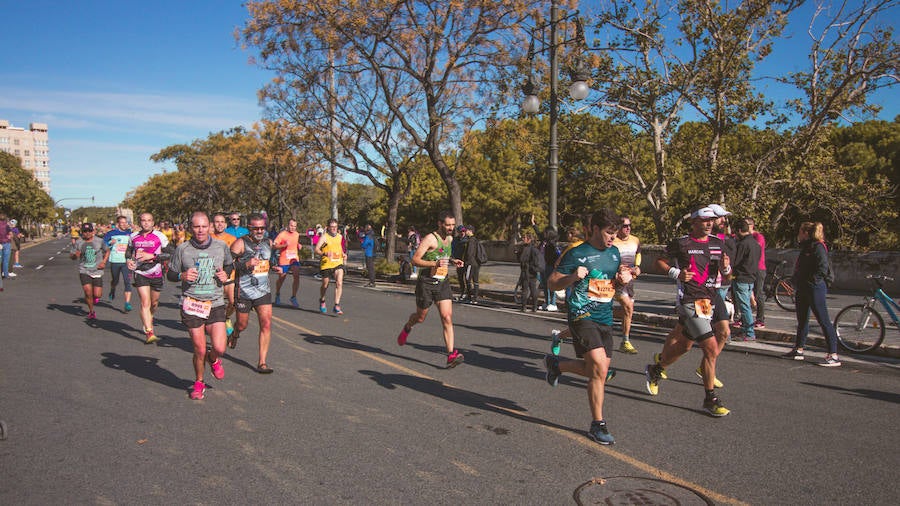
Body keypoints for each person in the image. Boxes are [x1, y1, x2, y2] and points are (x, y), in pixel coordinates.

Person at [543, 208, 632, 445]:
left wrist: (622, 280)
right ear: (594, 229)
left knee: (599, 372)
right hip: (581, 315)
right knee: (600, 367)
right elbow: (551, 283)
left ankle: (557, 365)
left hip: (604, 317)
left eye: (615, 233)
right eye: (608, 232)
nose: (613, 237)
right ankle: (598, 424)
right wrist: (572, 277)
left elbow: (610, 282)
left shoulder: (614, 253)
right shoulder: (577, 253)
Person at [645, 206, 732, 417]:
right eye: (704, 220)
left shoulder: (718, 243)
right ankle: (709, 399)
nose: (709, 223)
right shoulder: (682, 243)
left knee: (684, 346)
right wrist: (676, 273)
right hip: (690, 300)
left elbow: (727, 277)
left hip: (710, 300)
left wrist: (727, 269)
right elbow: (659, 262)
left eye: (711, 220)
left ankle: (656, 368)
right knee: (710, 347)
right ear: (693, 222)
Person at [167, 212, 234, 400]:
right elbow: (170, 274)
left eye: (204, 226)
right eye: (196, 226)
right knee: (200, 349)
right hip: (193, 304)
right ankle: (199, 382)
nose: (200, 230)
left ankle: (214, 359)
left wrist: (225, 274)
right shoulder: (182, 249)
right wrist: (182, 276)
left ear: (210, 227)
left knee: (219, 347)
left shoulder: (221, 246)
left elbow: (229, 266)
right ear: (191, 228)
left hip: (215, 303)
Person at [396, 210, 466, 368]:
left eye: (453, 225)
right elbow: (415, 260)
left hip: (442, 283)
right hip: (426, 283)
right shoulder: (430, 239)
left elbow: (442, 257)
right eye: (448, 225)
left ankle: (451, 354)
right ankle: (408, 327)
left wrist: (453, 261)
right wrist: (434, 264)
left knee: (447, 317)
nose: (451, 228)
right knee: (420, 317)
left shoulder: (449, 238)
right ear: (440, 224)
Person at [782, 222, 842, 366]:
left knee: (823, 320)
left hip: (814, 287)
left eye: (800, 232)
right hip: (803, 287)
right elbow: (801, 267)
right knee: (802, 319)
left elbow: (822, 267)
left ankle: (833, 354)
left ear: (806, 233)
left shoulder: (818, 247)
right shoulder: (807, 247)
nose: (798, 234)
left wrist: (812, 281)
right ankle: (799, 349)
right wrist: (795, 281)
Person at [229, 214, 276, 373]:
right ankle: (235, 333)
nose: (260, 231)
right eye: (256, 228)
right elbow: (227, 265)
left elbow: (271, 258)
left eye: (262, 228)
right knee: (242, 324)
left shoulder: (268, 242)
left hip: (263, 291)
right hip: (244, 291)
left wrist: (274, 265)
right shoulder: (240, 243)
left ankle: (262, 362)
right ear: (249, 228)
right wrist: (245, 264)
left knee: (266, 323)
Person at [127, 213, 170, 344]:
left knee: (154, 303)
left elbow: (169, 254)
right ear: (139, 222)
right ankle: (149, 332)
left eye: (149, 220)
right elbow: (128, 252)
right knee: (145, 302)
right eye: (143, 221)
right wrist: (129, 260)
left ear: (153, 222)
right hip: (140, 272)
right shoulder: (133, 236)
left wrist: (151, 256)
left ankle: (150, 317)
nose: (146, 223)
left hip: (156, 272)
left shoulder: (160, 236)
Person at [612, 216, 641, 353]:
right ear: (618, 227)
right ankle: (626, 340)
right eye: (625, 226)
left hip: (630, 280)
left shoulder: (635, 240)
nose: (628, 228)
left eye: (630, 225)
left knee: (628, 311)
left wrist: (637, 267)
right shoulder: (612, 241)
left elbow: (638, 254)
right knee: (628, 307)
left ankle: (625, 340)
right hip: (616, 281)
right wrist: (616, 272)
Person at [70, 223, 109, 320]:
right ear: (82, 232)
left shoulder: (99, 241)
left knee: (97, 294)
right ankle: (91, 311)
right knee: (88, 292)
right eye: (85, 231)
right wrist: (75, 256)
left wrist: (104, 262)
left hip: (97, 270)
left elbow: (107, 250)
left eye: (89, 231)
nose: (87, 233)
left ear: (93, 231)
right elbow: (72, 256)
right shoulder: (79, 242)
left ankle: (94, 298)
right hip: (84, 270)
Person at [731, 218, 761, 341]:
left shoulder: (743, 244)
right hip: (751, 277)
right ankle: (745, 329)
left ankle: (749, 332)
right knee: (746, 304)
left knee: (744, 307)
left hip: (741, 277)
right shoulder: (755, 244)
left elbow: (736, 261)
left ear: (739, 230)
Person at [211, 213, 238, 336]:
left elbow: (237, 256)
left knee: (233, 302)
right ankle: (214, 325)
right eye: (217, 222)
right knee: (215, 305)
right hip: (213, 277)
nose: (220, 224)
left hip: (229, 275)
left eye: (222, 222)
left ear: (226, 224)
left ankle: (226, 317)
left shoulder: (232, 239)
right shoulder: (208, 238)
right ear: (213, 224)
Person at [314, 218, 347, 315]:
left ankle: (336, 305)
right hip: (326, 263)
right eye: (331, 227)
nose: (333, 229)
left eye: (335, 227)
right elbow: (316, 249)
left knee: (339, 282)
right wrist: (324, 253)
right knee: (325, 284)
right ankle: (322, 300)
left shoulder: (340, 237)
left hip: (338, 262)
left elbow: (339, 248)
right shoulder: (324, 237)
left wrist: (343, 254)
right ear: (328, 227)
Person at [103, 215, 134, 312]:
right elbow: (103, 245)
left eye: (126, 222)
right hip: (115, 261)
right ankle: (113, 288)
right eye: (122, 222)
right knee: (115, 280)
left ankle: (127, 303)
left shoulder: (130, 233)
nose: (124, 224)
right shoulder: (111, 233)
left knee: (127, 281)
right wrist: (109, 243)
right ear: (118, 224)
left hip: (127, 261)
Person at [274, 219, 303, 305]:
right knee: (282, 278)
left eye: (294, 226)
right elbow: (274, 245)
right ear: (288, 225)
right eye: (291, 226)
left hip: (294, 258)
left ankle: (293, 297)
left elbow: (295, 242)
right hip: (284, 259)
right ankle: (277, 293)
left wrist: (298, 245)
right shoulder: (282, 234)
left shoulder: (297, 234)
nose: (293, 228)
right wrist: (283, 245)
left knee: (296, 276)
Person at [746, 217, 767, 329]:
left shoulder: (758, 237)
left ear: (751, 225)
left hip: (759, 268)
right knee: (746, 293)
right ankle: (743, 318)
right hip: (749, 269)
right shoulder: (745, 237)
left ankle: (760, 319)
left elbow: (755, 250)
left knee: (758, 293)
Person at [517, 231, 543, 312]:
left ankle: (523, 307)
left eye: (524, 238)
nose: (522, 239)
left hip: (526, 271)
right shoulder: (535, 248)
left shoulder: (524, 248)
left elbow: (521, 260)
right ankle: (534, 306)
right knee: (533, 289)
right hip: (533, 271)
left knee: (525, 289)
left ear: (528, 239)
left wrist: (517, 253)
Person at [540, 227, 560, 312]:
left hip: (551, 266)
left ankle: (553, 303)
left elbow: (557, 256)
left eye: (545, 233)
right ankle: (547, 302)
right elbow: (539, 234)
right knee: (545, 285)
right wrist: (534, 225)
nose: (544, 234)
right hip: (544, 266)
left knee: (551, 285)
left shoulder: (553, 244)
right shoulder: (545, 243)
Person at [462, 226, 481, 304]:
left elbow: (469, 253)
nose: (465, 232)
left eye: (466, 230)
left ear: (470, 231)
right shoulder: (475, 240)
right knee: (475, 281)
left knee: (468, 280)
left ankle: (470, 297)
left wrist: (466, 262)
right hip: (476, 263)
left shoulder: (471, 241)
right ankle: (475, 298)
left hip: (470, 263)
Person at [452, 225, 468, 300]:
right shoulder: (455, 240)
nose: (462, 233)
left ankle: (468, 293)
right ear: (458, 232)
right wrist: (453, 258)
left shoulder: (468, 240)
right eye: (461, 231)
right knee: (460, 278)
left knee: (467, 278)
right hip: (458, 261)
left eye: (463, 231)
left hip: (466, 261)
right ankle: (462, 292)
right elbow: (452, 249)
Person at [0, 214, 12, 279]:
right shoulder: (6, 225)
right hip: (6, 243)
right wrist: (9, 237)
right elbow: (11, 234)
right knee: (6, 260)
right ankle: (6, 274)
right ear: (5, 219)